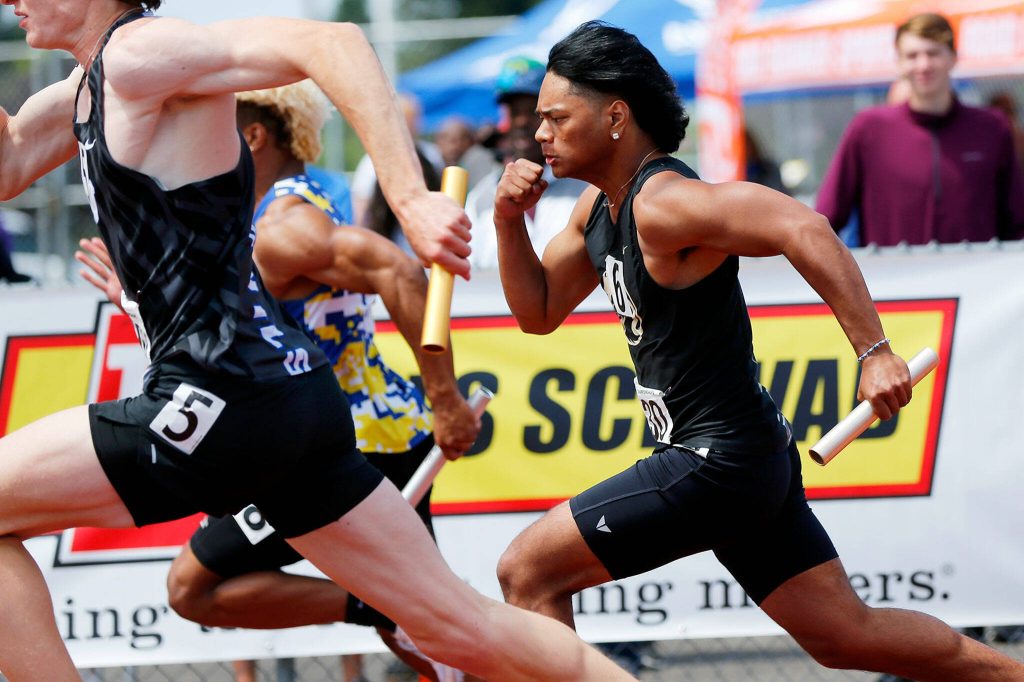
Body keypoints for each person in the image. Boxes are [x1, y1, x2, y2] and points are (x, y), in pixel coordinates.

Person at [0, 2, 634, 679]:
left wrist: (409, 197)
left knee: (204, 585)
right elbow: (9, 166)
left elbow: (329, 40)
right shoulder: (86, 89)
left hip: (216, 396)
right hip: (288, 399)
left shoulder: (137, 55)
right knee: (458, 624)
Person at [491, 21, 1024, 680]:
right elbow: (536, 312)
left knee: (526, 572)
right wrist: (508, 222)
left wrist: (875, 351)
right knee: (847, 637)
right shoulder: (598, 208)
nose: (539, 132)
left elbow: (802, 225)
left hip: (716, 461)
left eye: (555, 117)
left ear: (617, 116)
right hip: (746, 460)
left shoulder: (668, 203)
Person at [77, 80, 474, 682]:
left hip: (349, 445)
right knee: (439, 625)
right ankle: (387, 611)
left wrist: (447, 399)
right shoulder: (275, 209)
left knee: (195, 587)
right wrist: (136, 304)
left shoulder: (285, 221)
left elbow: (396, 269)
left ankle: (383, 609)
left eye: (208, 130)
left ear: (254, 135)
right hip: (363, 437)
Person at [816, 12, 1024, 246]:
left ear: (953, 58)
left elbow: (1017, 222)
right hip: (892, 279)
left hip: (980, 278)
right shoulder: (869, 129)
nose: (923, 65)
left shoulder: (992, 128)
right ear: (899, 63)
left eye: (933, 53)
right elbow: (826, 218)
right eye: (912, 55)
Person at [465, 56, 587, 270]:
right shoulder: (482, 196)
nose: (522, 122)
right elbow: (470, 269)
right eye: (514, 112)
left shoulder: (584, 188)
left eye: (533, 112)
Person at [350, 92, 443, 227]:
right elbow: (361, 206)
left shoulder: (432, 155)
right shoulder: (371, 161)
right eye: (403, 120)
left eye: (412, 120)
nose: (408, 126)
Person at [434, 115, 499, 191]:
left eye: (462, 138)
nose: (455, 145)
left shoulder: (477, 159)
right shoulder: (434, 166)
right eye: (445, 137)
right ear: (437, 142)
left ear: (470, 141)